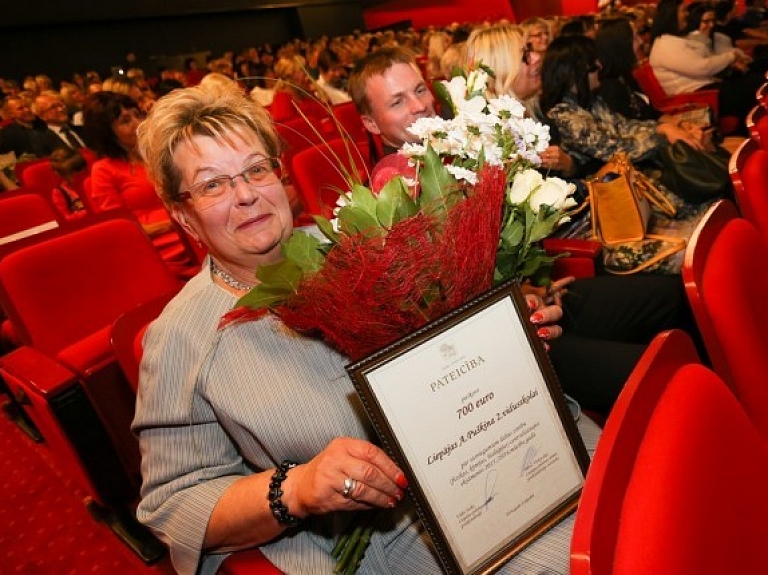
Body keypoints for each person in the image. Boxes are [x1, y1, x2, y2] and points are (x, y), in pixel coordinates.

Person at [132, 81, 601, 575]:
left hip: (497, 448)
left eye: (255, 169)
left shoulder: (355, 240)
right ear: (183, 217)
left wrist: (504, 330)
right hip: (392, 533)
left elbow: (442, 346)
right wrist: (296, 487)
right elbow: (174, 505)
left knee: (646, 492)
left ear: (280, 177)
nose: (246, 195)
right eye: (212, 184)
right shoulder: (182, 338)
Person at [350, 45, 700, 414]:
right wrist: (522, 297)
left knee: (675, 296)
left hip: (534, 298)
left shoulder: (456, 147)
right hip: (506, 343)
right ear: (371, 123)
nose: (419, 106)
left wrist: (532, 284)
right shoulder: (393, 192)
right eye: (397, 102)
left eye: (420, 90)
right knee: (666, 373)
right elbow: (443, 304)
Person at [81, 91, 198, 280]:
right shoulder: (103, 171)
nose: (139, 123)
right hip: (161, 246)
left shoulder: (159, 153)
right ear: (107, 133)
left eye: (138, 115)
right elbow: (119, 231)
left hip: (191, 230)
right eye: (126, 121)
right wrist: (173, 224)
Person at [648, 0, 763, 131]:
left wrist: (732, 57)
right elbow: (701, 67)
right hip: (697, 97)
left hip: (706, 89)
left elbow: (706, 55)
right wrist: (731, 57)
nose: (687, 14)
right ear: (671, 15)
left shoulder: (675, 40)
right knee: (756, 83)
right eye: (683, 11)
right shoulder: (665, 44)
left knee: (754, 80)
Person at [33, 91, 87, 156]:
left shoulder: (82, 129)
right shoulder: (41, 141)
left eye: (61, 104)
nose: (61, 109)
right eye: (53, 107)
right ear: (42, 116)